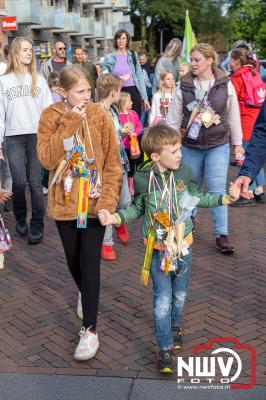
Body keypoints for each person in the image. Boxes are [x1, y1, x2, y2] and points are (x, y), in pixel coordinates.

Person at [98, 125, 240, 374]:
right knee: (162, 301)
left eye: (179, 149)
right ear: (155, 156)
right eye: (173, 151)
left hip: (183, 248)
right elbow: (137, 208)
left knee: (180, 296)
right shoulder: (143, 178)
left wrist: (225, 199)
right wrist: (115, 218)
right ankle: (164, 349)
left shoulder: (184, 173)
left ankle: (176, 327)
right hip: (157, 250)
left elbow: (199, 198)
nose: (179, 154)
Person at [37, 66, 122, 361]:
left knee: (90, 262)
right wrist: (71, 120)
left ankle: (90, 330)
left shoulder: (100, 114)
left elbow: (112, 162)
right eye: (80, 92)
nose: (86, 97)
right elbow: (46, 159)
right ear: (63, 92)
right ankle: (85, 293)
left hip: (94, 201)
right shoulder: (51, 115)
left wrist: (107, 205)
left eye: (89, 91)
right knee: (74, 261)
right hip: (65, 203)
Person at [167, 43, 244, 254]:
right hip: (190, 146)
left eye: (197, 60)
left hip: (218, 145)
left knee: (217, 188)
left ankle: (222, 234)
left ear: (210, 60)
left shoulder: (224, 84)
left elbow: (233, 115)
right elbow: (173, 118)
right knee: (189, 187)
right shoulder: (183, 85)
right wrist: (170, 146)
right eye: (191, 60)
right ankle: (184, 224)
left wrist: (237, 144)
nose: (192, 64)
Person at [0, 37, 53, 244]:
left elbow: (48, 110)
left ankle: (37, 225)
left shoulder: (39, 79)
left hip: (35, 136)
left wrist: (48, 137)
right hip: (12, 137)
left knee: (35, 184)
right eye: (24, 50)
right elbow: (0, 113)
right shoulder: (4, 80)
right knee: (19, 183)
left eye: (31, 50)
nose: (29, 53)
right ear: (15, 52)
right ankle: (21, 217)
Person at [96, 74, 131, 262]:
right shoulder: (97, 112)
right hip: (106, 166)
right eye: (119, 90)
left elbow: (114, 134)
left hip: (120, 161)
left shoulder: (114, 110)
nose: (121, 93)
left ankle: (119, 221)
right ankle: (107, 243)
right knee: (107, 202)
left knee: (125, 201)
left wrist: (122, 130)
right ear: (113, 92)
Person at [230, 47, 266, 205]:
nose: (230, 64)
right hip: (256, 117)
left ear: (237, 61)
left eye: (231, 60)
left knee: (248, 152)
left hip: (244, 120)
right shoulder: (256, 74)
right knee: (254, 150)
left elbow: (230, 101)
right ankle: (259, 188)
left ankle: (251, 189)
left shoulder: (237, 77)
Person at [102, 29, 150, 117]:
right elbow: (104, 79)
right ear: (116, 40)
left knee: (135, 120)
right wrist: (118, 79)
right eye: (119, 38)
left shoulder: (133, 55)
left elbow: (139, 77)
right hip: (117, 92)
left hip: (134, 92)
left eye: (123, 38)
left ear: (127, 40)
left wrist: (145, 98)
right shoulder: (109, 58)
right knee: (119, 121)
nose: (121, 41)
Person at [235, 100, 266, 197]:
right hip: (247, 127)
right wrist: (247, 172)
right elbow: (263, 133)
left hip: (246, 125)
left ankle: (258, 189)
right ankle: (258, 190)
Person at [118, 92, 142, 195]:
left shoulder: (133, 114)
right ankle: (122, 186)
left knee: (132, 166)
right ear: (123, 103)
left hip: (133, 146)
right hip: (123, 147)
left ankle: (130, 186)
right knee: (122, 167)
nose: (132, 102)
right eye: (129, 101)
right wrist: (124, 133)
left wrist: (134, 133)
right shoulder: (118, 116)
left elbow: (139, 126)